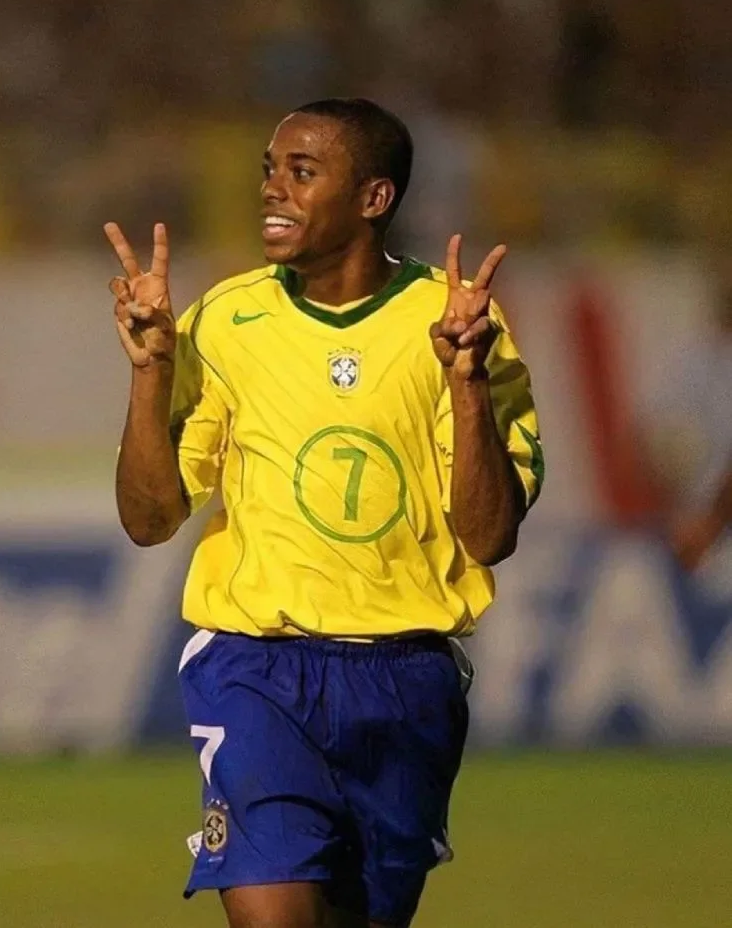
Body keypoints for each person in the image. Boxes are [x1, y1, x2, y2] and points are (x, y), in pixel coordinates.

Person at [106, 98, 543, 928]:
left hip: (407, 680)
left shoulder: (454, 328)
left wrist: (466, 382)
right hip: (255, 669)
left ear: (373, 199)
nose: (273, 190)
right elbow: (149, 518)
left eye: (301, 173)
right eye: (269, 171)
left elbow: (489, 536)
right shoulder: (228, 321)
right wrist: (151, 373)